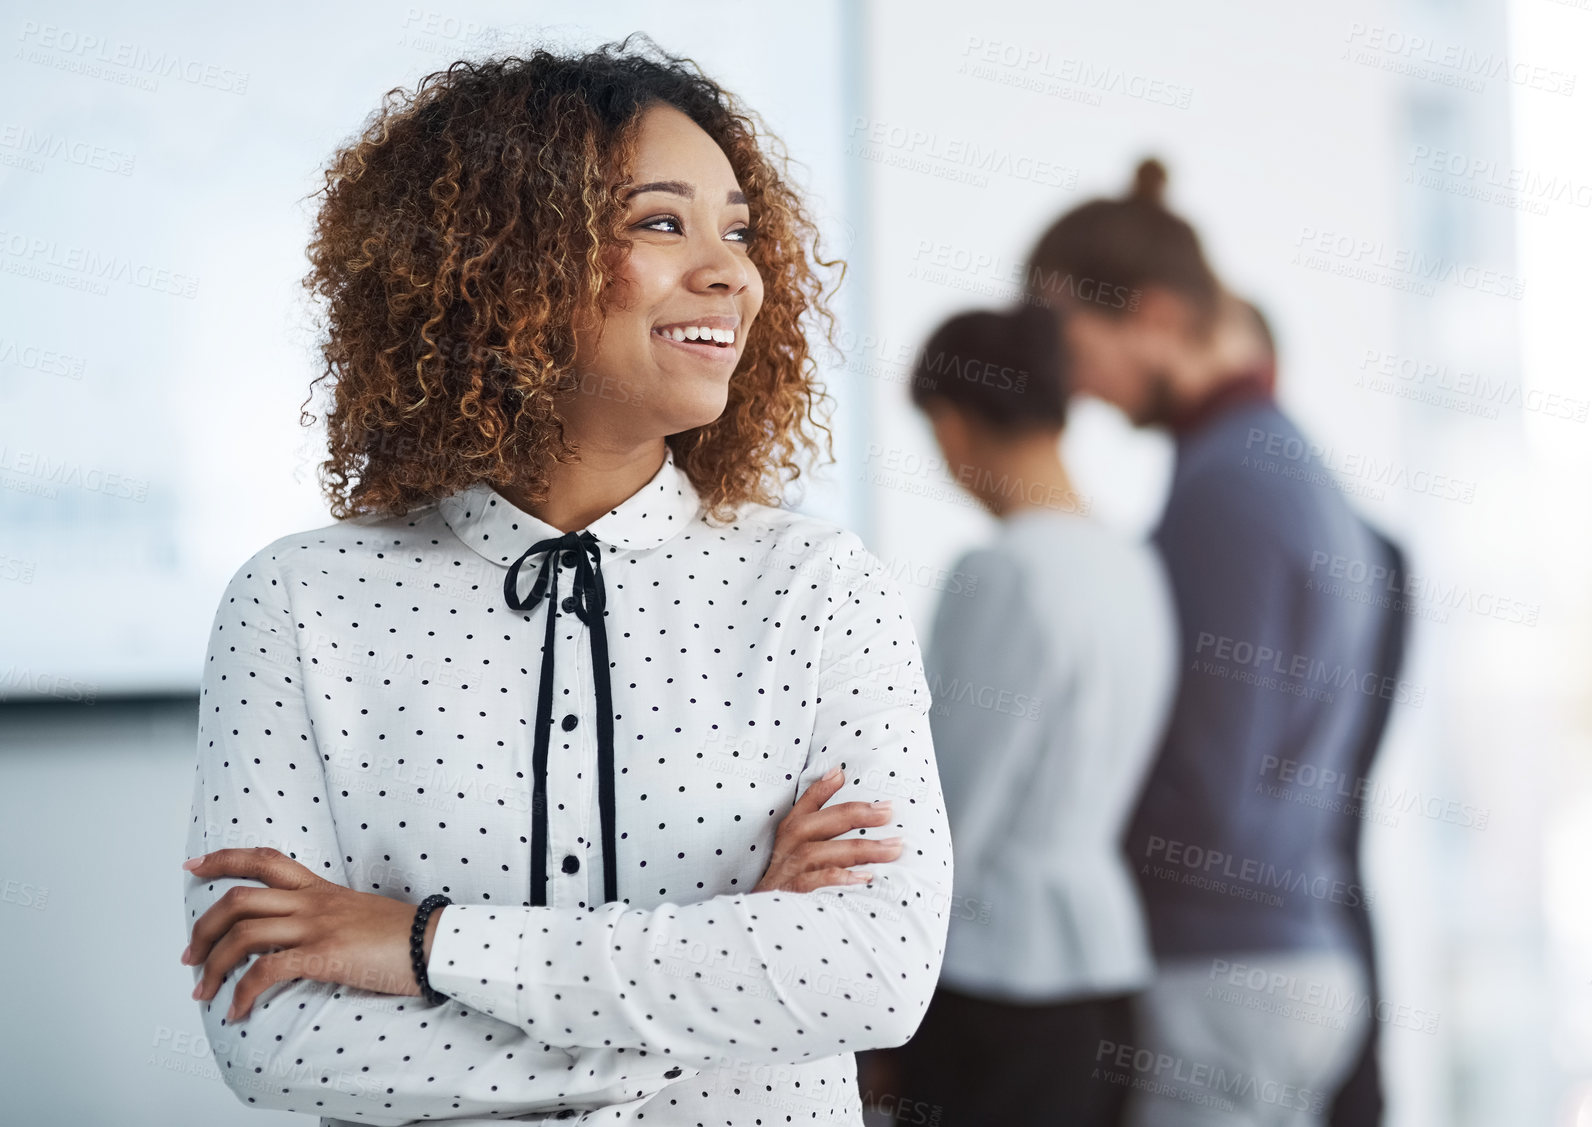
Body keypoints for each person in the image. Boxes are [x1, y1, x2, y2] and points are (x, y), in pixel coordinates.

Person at [177, 39, 952, 1127]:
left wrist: (421, 941)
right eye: (660, 221)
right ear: (501, 264)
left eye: (736, 228)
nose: (733, 270)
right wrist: (723, 991)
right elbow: (275, 1032)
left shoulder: (820, 587)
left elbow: (874, 971)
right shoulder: (300, 601)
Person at [1022, 158, 1408, 1126]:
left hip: (1224, 968)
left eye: (1070, 333)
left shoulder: (1226, 487)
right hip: (1283, 960)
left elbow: (1207, 781)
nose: (1069, 377)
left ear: (1150, 314)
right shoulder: (1279, 464)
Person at [876, 304, 1178, 1127]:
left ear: (951, 424)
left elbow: (949, 815)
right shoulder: (1133, 563)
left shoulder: (1003, 571)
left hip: (997, 976)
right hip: (1105, 970)